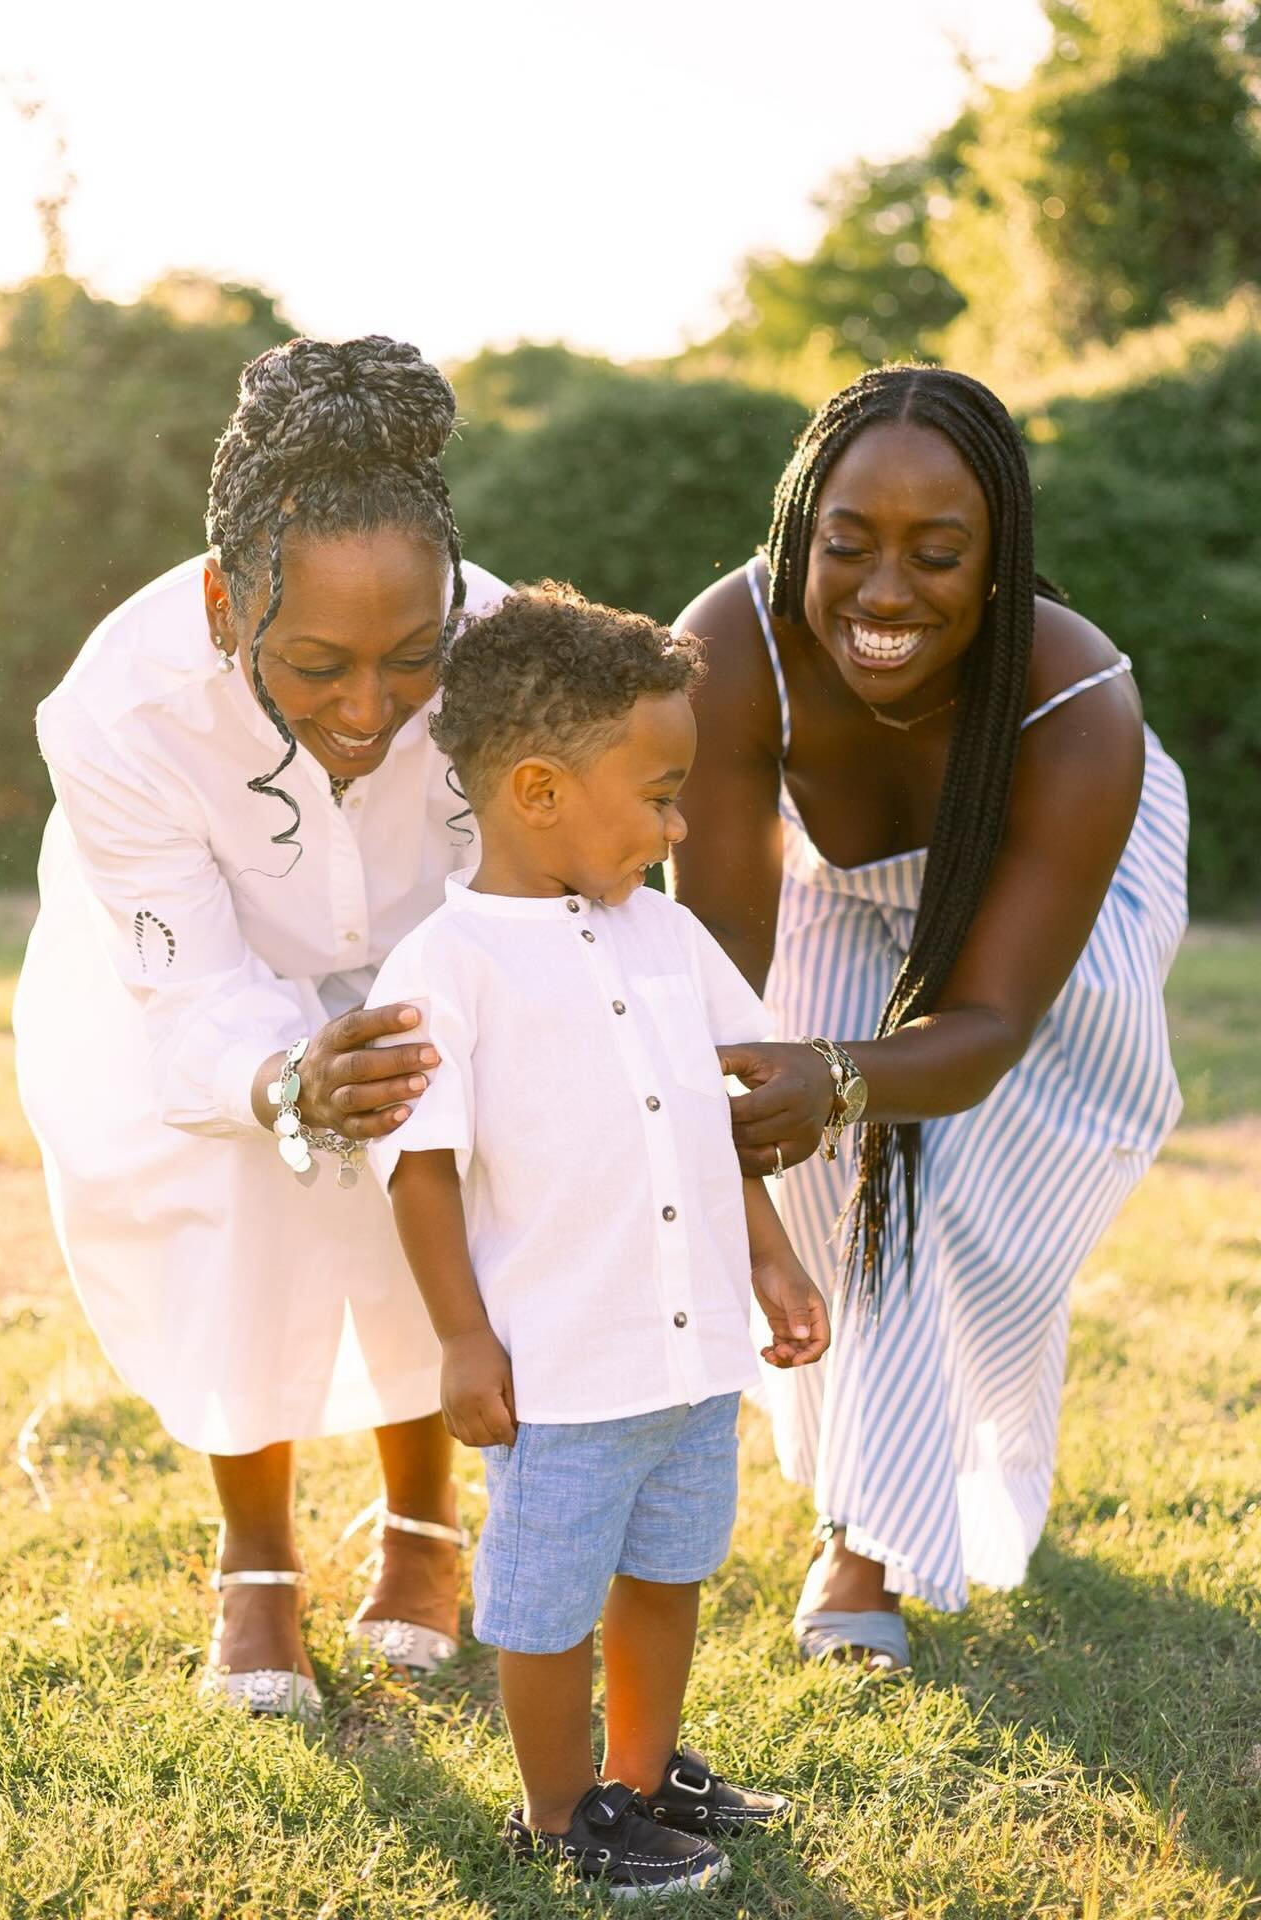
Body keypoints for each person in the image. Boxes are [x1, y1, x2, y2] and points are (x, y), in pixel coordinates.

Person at [13, 336, 513, 1718]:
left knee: (435, 1153)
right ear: (232, 606)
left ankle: (424, 1520)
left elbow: (522, 898)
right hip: (185, 978)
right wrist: (285, 1073)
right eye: (316, 665)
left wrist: (433, 1044)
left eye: (410, 658)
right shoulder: (120, 711)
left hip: (431, 949)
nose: (368, 710)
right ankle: (257, 1556)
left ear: (457, 602)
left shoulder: (506, 651)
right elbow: (188, 996)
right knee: (244, 1179)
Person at [672, 365, 1188, 1672]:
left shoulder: (1078, 701)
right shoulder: (731, 647)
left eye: (938, 553)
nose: (886, 593)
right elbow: (720, 963)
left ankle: (918, 1491)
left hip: (1057, 898)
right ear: (800, 535)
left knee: (964, 1189)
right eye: (847, 546)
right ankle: (861, 1535)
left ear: (1000, 558)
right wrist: (732, 1085)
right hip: (837, 886)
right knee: (843, 1182)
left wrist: (843, 1074)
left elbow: (990, 1025)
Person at [365, 583, 830, 1897]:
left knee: (669, 1568)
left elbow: (714, 1116)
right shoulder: (447, 967)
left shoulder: (668, 934)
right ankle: (561, 1811)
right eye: (662, 794)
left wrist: (775, 1256)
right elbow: (422, 1170)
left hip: (684, 1357)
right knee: (546, 1601)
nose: (681, 825)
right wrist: (462, 1338)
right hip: (563, 1371)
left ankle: (640, 1771)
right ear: (541, 790)